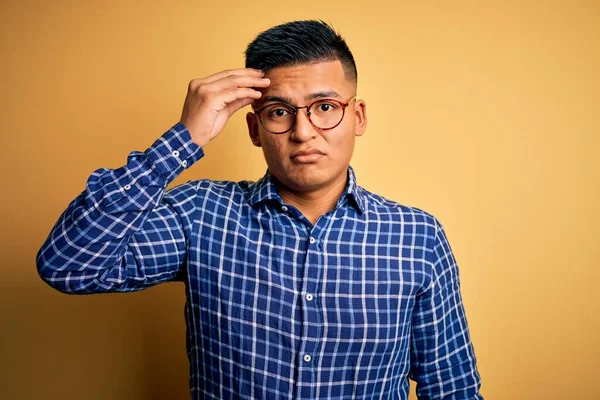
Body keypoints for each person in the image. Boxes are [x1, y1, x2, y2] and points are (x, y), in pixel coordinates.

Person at [37, 20, 483, 399]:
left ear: (358, 116)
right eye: (278, 112)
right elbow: (68, 266)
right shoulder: (200, 215)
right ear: (254, 127)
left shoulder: (417, 238)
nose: (304, 132)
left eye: (325, 107)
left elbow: (452, 390)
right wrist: (183, 139)